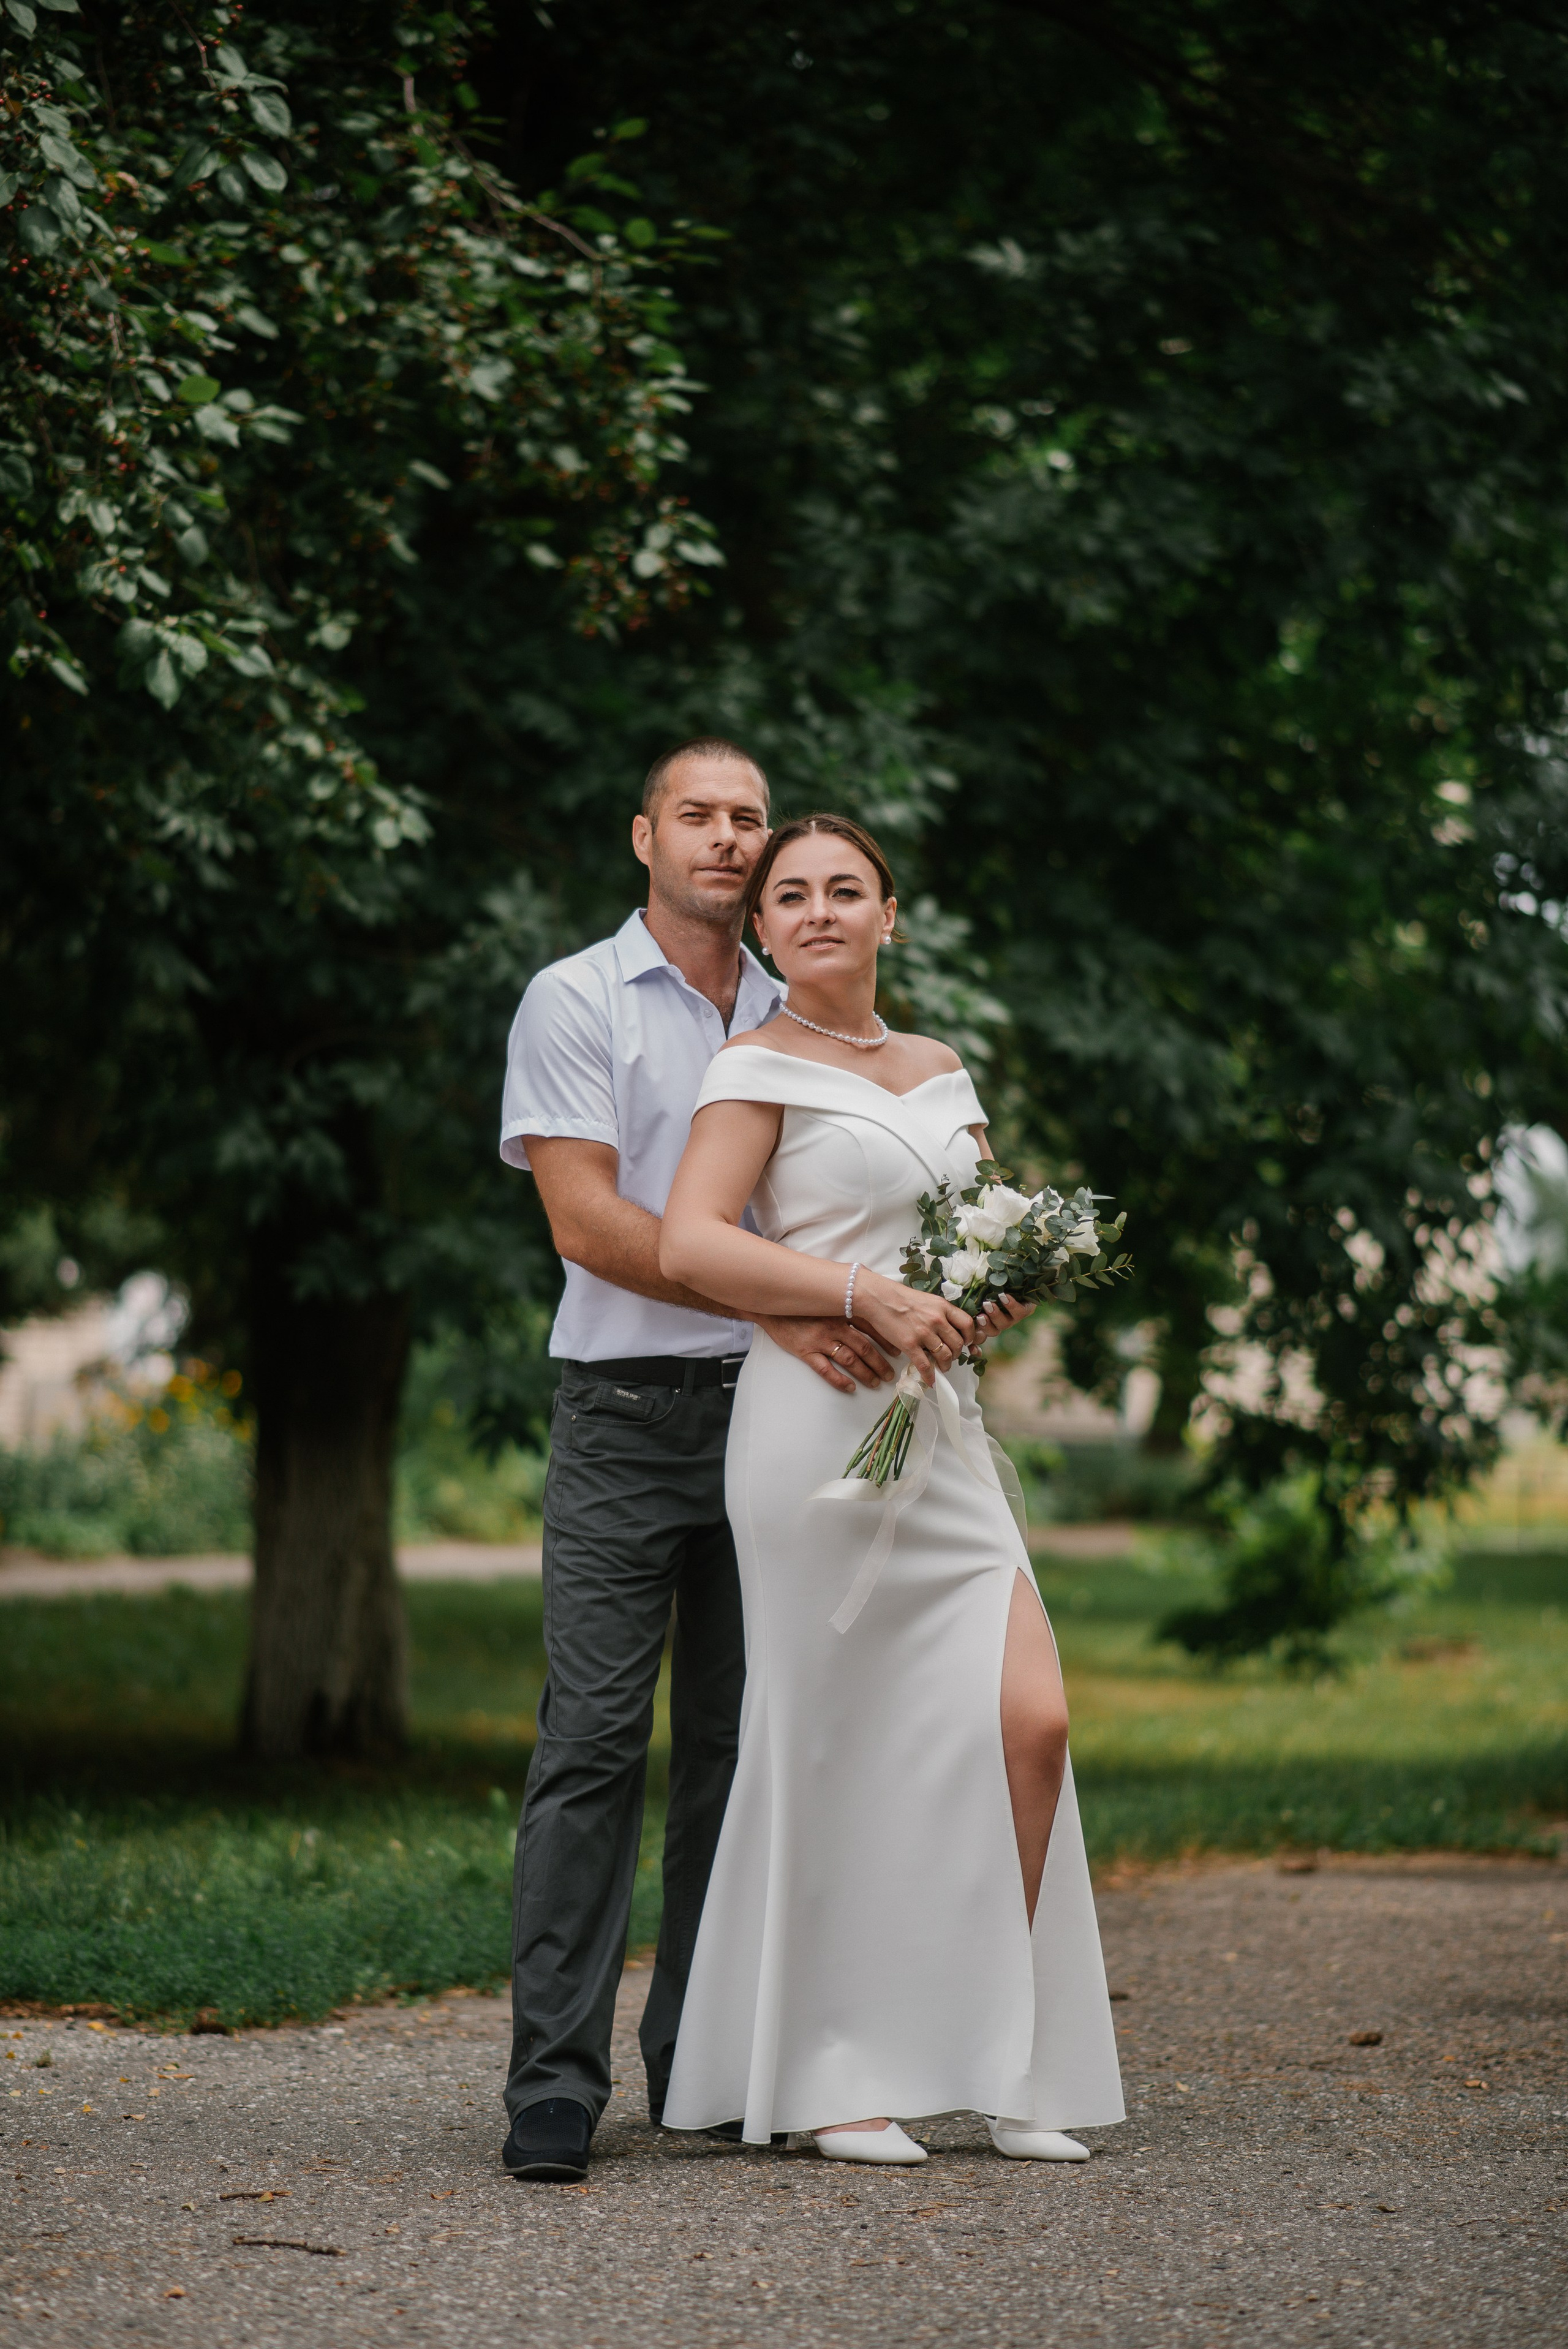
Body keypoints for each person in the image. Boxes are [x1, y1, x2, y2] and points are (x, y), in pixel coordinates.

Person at [656, 813, 1125, 2162]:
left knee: (1026, 1723)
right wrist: (864, 1292)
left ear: (887, 915)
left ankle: (997, 2055)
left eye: (841, 890)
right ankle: (827, 2072)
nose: (814, 910)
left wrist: (997, 1290)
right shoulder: (751, 1067)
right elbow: (692, 1242)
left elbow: (977, 1226)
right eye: (787, 895)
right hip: (815, 1437)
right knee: (832, 1749)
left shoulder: (937, 1068)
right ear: (760, 930)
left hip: (943, 1436)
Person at [496, 741, 901, 2184]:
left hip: (778, 1421)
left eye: (747, 819)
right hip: (621, 1414)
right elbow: (592, 1226)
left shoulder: (803, 1014)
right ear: (643, 837)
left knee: (737, 1755)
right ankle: (551, 2082)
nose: (727, 841)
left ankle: (703, 2066)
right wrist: (790, 1300)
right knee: (594, 1742)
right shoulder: (575, 999)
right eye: (699, 817)